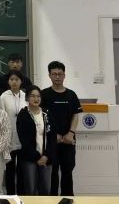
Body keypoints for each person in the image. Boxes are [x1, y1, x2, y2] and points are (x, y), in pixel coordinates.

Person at [41, 61, 82, 197]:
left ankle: (68, 198)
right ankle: (52, 199)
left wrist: (71, 133)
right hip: (51, 141)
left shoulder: (71, 95)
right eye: (54, 74)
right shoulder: (44, 94)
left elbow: (75, 115)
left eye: (60, 74)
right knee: (52, 173)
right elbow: (40, 117)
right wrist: (53, 135)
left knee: (67, 172)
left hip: (68, 140)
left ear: (64, 75)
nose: (57, 76)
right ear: (49, 75)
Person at [17, 85, 56, 196]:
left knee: (46, 189)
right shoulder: (23, 114)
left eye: (38, 96)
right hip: (29, 158)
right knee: (30, 190)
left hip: (46, 158)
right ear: (27, 98)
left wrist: (46, 155)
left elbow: (52, 137)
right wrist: (37, 157)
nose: (36, 99)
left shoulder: (46, 114)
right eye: (33, 96)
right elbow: (23, 139)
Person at [0, 71, 27, 195]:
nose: (14, 82)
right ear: (8, 81)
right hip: (8, 138)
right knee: (9, 169)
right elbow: (0, 118)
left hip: (23, 138)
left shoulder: (25, 96)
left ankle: (21, 195)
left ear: (21, 81)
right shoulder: (3, 97)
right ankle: (10, 195)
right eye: (11, 79)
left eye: (17, 79)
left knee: (21, 169)